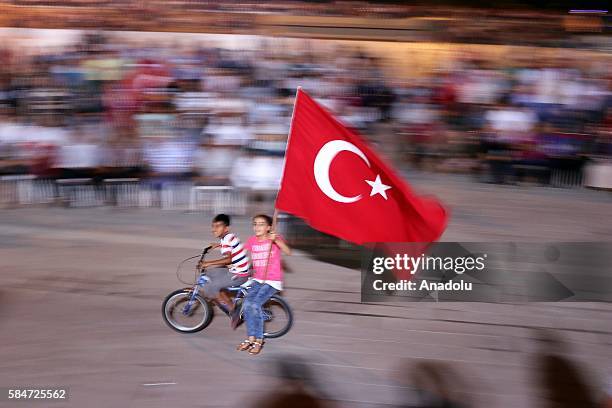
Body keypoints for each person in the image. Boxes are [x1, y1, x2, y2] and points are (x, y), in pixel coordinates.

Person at [236, 214, 291, 355]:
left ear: (268, 227)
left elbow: (288, 251)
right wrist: (234, 263)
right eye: (255, 224)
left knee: (255, 305)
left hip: (272, 281)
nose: (257, 227)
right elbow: (241, 254)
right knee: (247, 305)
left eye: (261, 224)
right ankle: (250, 338)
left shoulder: (274, 239)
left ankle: (259, 340)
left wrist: (276, 241)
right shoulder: (252, 240)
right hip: (258, 279)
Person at [198, 214, 250, 318]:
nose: (214, 229)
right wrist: (218, 245)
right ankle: (222, 295)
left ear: (226, 228)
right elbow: (231, 247)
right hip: (239, 270)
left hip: (239, 274)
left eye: (218, 226)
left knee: (211, 287)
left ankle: (233, 310)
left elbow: (228, 260)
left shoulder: (226, 240)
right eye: (213, 226)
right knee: (210, 274)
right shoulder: (229, 237)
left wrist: (208, 263)